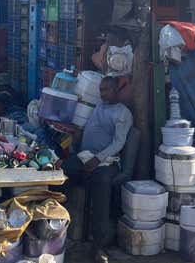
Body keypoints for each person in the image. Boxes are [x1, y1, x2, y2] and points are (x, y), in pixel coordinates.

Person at [62, 76, 133, 263]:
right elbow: (88, 128)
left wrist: (97, 159)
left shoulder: (122, 113)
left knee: (101, 184)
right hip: (86, 156)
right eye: (101, 90)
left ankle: (98, 246)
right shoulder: (99, 106)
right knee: (61, 172)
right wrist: (76, 136)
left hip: (106, 161)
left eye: (107, 90)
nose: (103, 94)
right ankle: (59, 227)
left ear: (116, 90)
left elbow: (118, 143)